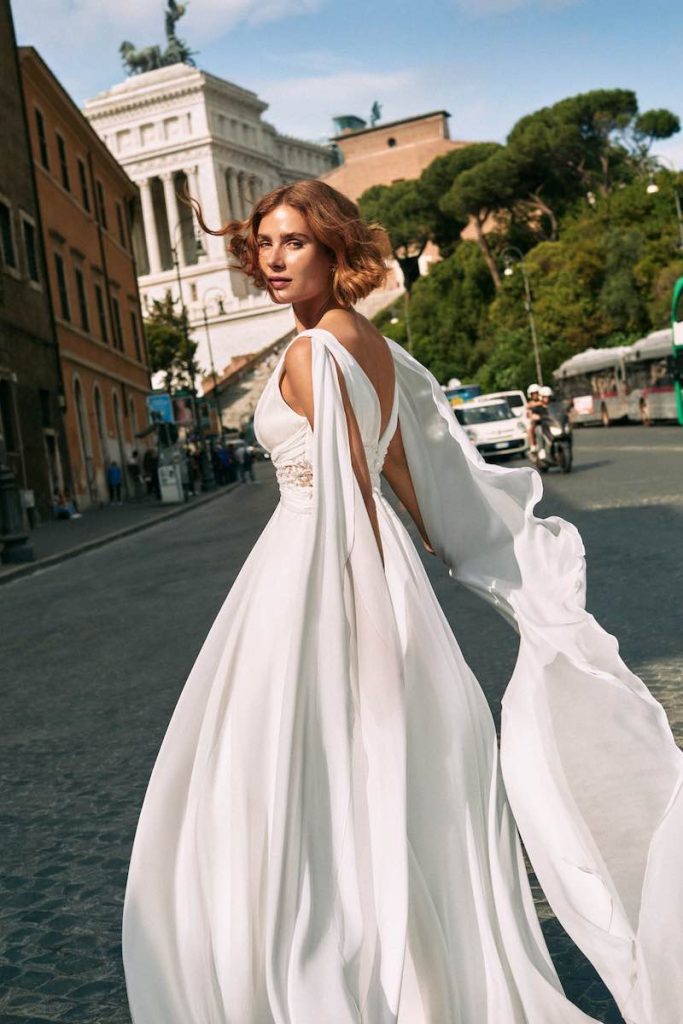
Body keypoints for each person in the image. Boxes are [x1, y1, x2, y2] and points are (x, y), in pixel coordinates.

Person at [123, 180, 683, 1024]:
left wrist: (349, 628)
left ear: (335, 250)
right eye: (264, 244)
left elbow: (349, 490)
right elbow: (399, 471)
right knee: (384, 793)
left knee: (290, 792)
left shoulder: (314, 352)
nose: (273, 260)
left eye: (295, 243)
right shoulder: (367, 340)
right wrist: (431, 550)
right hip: (372, 568)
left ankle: (332, 980)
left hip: (318, 577)